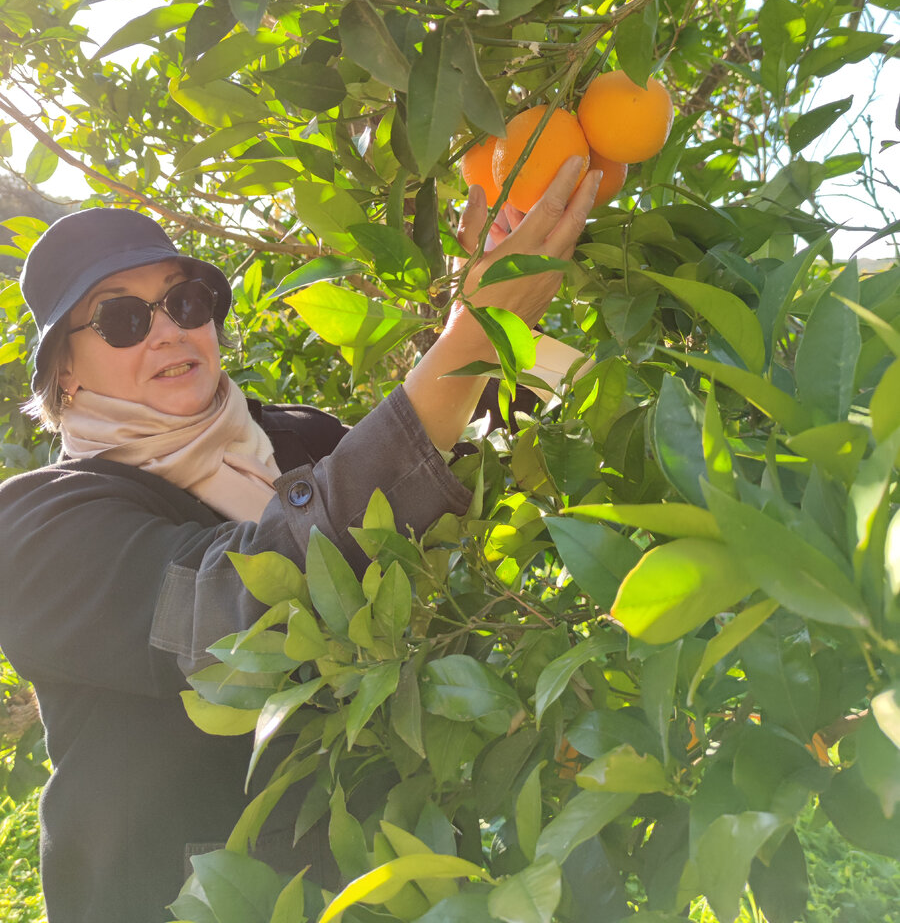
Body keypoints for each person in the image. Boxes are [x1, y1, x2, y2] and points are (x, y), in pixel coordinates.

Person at [0, 156, 599, 923]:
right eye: (123, 319)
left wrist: (503, 324)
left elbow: (449, 495)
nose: (169, 332)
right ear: (66, 374)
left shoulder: (299, 440)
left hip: (392, 872)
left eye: (184, 302)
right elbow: (244, 602)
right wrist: (467, 337)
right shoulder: (40, 526)